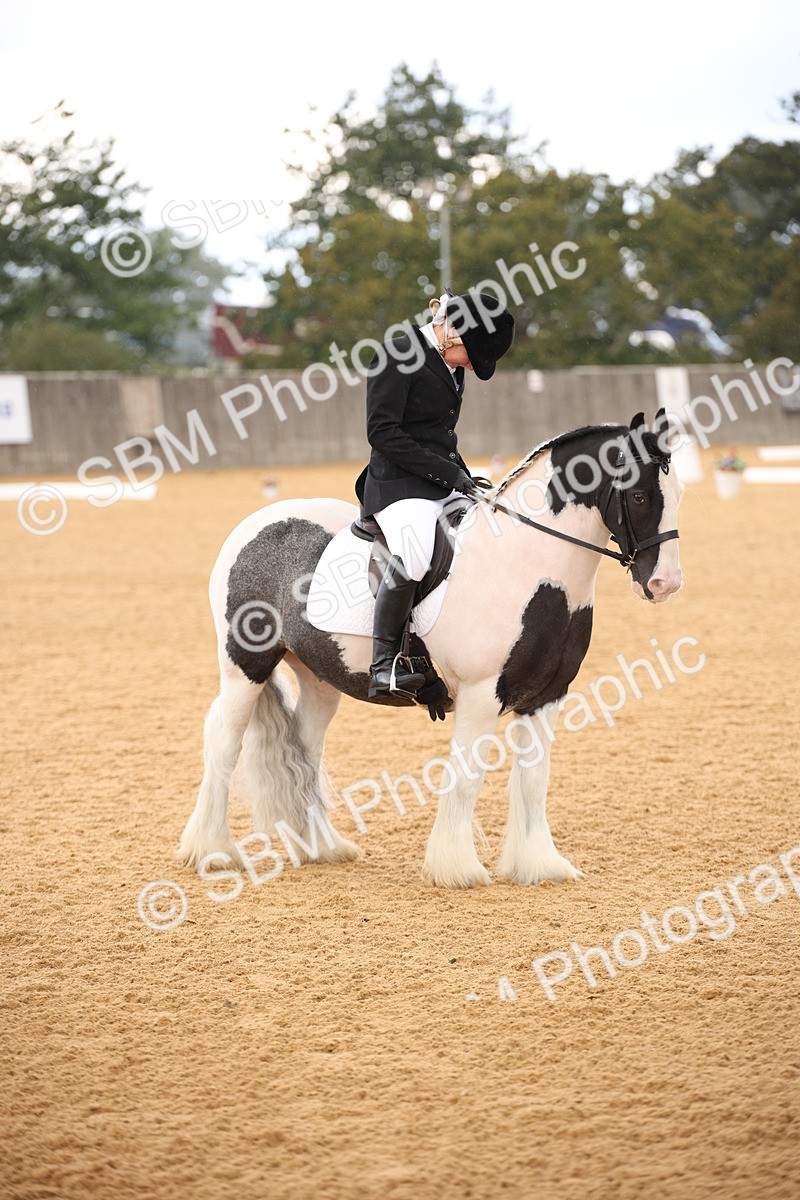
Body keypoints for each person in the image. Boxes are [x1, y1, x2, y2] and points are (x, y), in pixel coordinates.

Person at [354, 289, 514, 704]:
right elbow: (383, 432)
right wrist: (449, 475)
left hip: (441, 478)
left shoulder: (450, 361)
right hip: (397, 485)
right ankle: (384, 665)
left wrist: (463, 475)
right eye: (470, 356)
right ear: (453, 330)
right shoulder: (397, 353)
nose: (469, 367)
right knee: (418, 549)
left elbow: (438, 435)